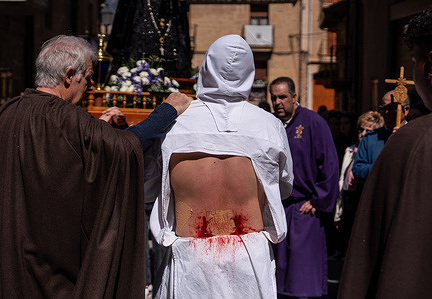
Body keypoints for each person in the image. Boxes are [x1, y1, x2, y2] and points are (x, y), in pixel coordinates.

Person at [0, 35, 191, 298]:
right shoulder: (69, 118)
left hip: (13, 256)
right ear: (69, 75)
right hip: (54, 268)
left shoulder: (8, 112)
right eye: (88, 78)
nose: (90, 86)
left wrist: (96, 131)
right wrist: (167, 111)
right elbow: (126, 147)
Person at [146, 35, 293, 298]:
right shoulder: (269, 125)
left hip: (191, 259)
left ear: (206, 68)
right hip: (248, 261)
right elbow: (283, 188)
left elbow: (147, 189)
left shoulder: (175, 123)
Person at [338, 4, 432, 297]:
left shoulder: (417, 141)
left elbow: (379, 258)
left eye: (414, 61)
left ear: (431, 62)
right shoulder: (397, 138)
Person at [270, 76, 340, 298]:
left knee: (303, 276)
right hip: (279, 208)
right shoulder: (272, 124)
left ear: (294, 97)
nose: (278, 102)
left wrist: (318, 200)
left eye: (282, 97)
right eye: (274, 98)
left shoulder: (313, 122)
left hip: (304, 208)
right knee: (280, 272)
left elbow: (329, 164)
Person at [333, 111, 384, 256]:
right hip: (349, 199)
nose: (363, 134)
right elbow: (342, 180)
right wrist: (338, 213)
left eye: (368, 131)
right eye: (361, 130)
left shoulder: (378, 150)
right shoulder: (350, 150)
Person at [351, 90, 410, 183]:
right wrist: (382, 166)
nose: (386, 113)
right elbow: (358, 170)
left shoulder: (416, 136)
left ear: (406, 110)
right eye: (383, 108)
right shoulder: (370, 138)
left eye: (392, 108)